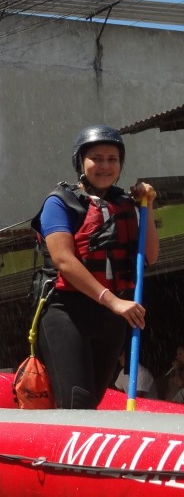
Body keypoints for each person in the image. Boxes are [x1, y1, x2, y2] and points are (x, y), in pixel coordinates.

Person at [31, 125, 159, 409]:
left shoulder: (126, 203)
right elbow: (64, 261)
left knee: (92, 402)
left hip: (111, 317)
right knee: (78, 401)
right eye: (96, 159)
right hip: (67, 311)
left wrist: (147, 206)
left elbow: (149, 256)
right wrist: (113, 302)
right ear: (81, 162)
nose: (105, 166)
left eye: (112, 159)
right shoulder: (59, 203)